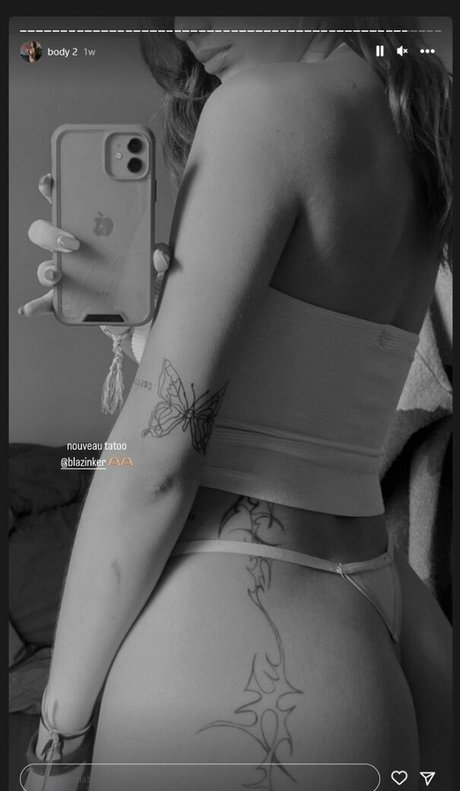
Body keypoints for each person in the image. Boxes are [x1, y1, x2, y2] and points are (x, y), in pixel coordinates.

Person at [20, 17, 451, 791]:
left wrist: (57, 741)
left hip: (232, 634)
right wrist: (146, 329)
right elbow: (309, 380)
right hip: (389, 631)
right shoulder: (417, 119)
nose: (188, 23)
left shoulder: (259, 107)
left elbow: (156, 464)